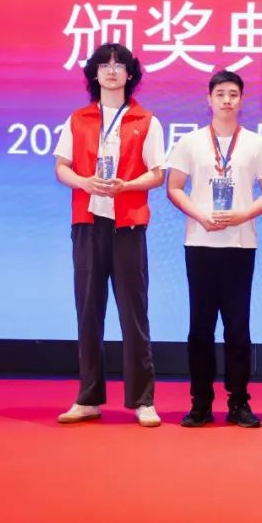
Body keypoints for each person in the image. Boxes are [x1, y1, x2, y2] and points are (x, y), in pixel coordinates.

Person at [53, 43, 166, 427]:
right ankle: (88, 398)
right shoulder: (79, 118)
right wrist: (85, 182)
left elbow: (158, 174)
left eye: (120, 65)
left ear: (130, 74)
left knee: (134, 312)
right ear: (95, 73)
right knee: (88, 310)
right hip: (87, 222)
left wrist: (127, 186)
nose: (112, 70)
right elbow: (62, 167)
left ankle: (142, 400)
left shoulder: (146, 120)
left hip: (128, 223)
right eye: (105, 64)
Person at [166, 71, 262, 428]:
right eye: (220, 94)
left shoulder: (256, 144)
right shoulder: (189, 142)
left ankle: (239, 401)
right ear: (209, 99)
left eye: (233, 94)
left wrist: (243, 214)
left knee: (237, 326)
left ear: (241, 100)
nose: (227, 100)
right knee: (200, 327)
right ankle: (200, 402)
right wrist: (200, 215)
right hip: (200, 242)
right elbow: (174, 187)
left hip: (240, 244)